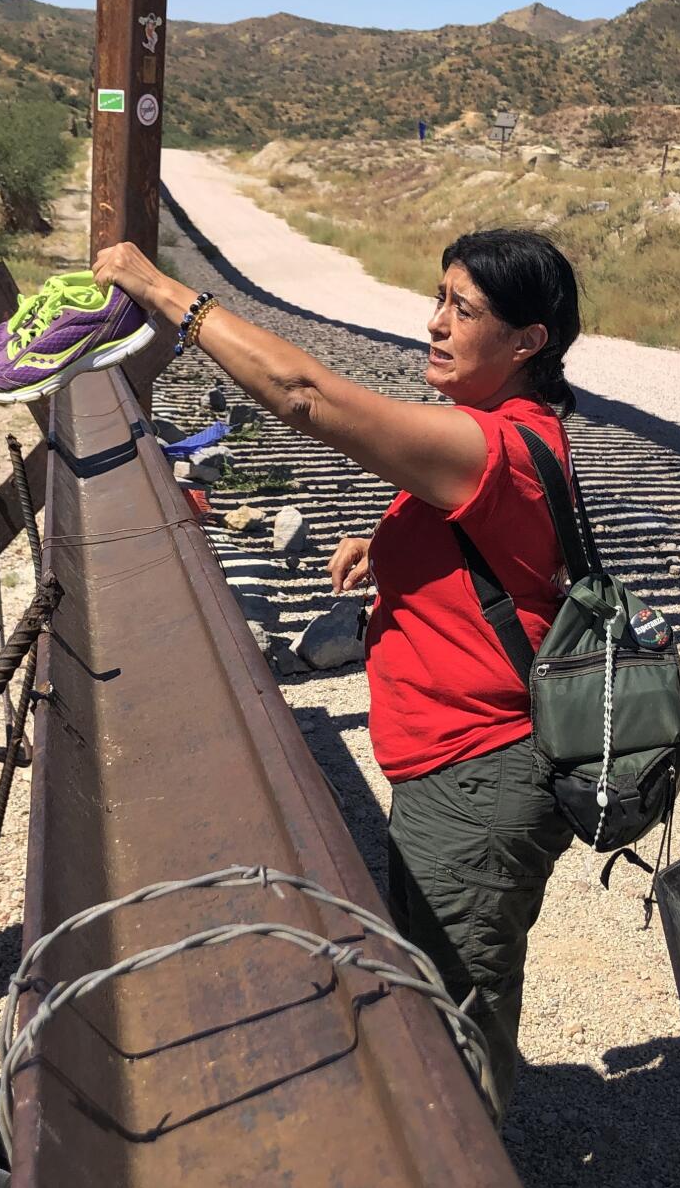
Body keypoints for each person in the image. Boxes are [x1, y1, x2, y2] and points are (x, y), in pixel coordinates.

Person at [96, 229, 582, 1120]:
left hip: (477, 772)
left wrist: (167, 292)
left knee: (454, 1011)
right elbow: (489, 549)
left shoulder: (493, 450)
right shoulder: (503, 434)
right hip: (456, 766)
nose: (433, 323)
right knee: (440, 974)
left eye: (463, 310)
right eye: (438, 297)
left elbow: (304, 395)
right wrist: (391, 551)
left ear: (527, 342)